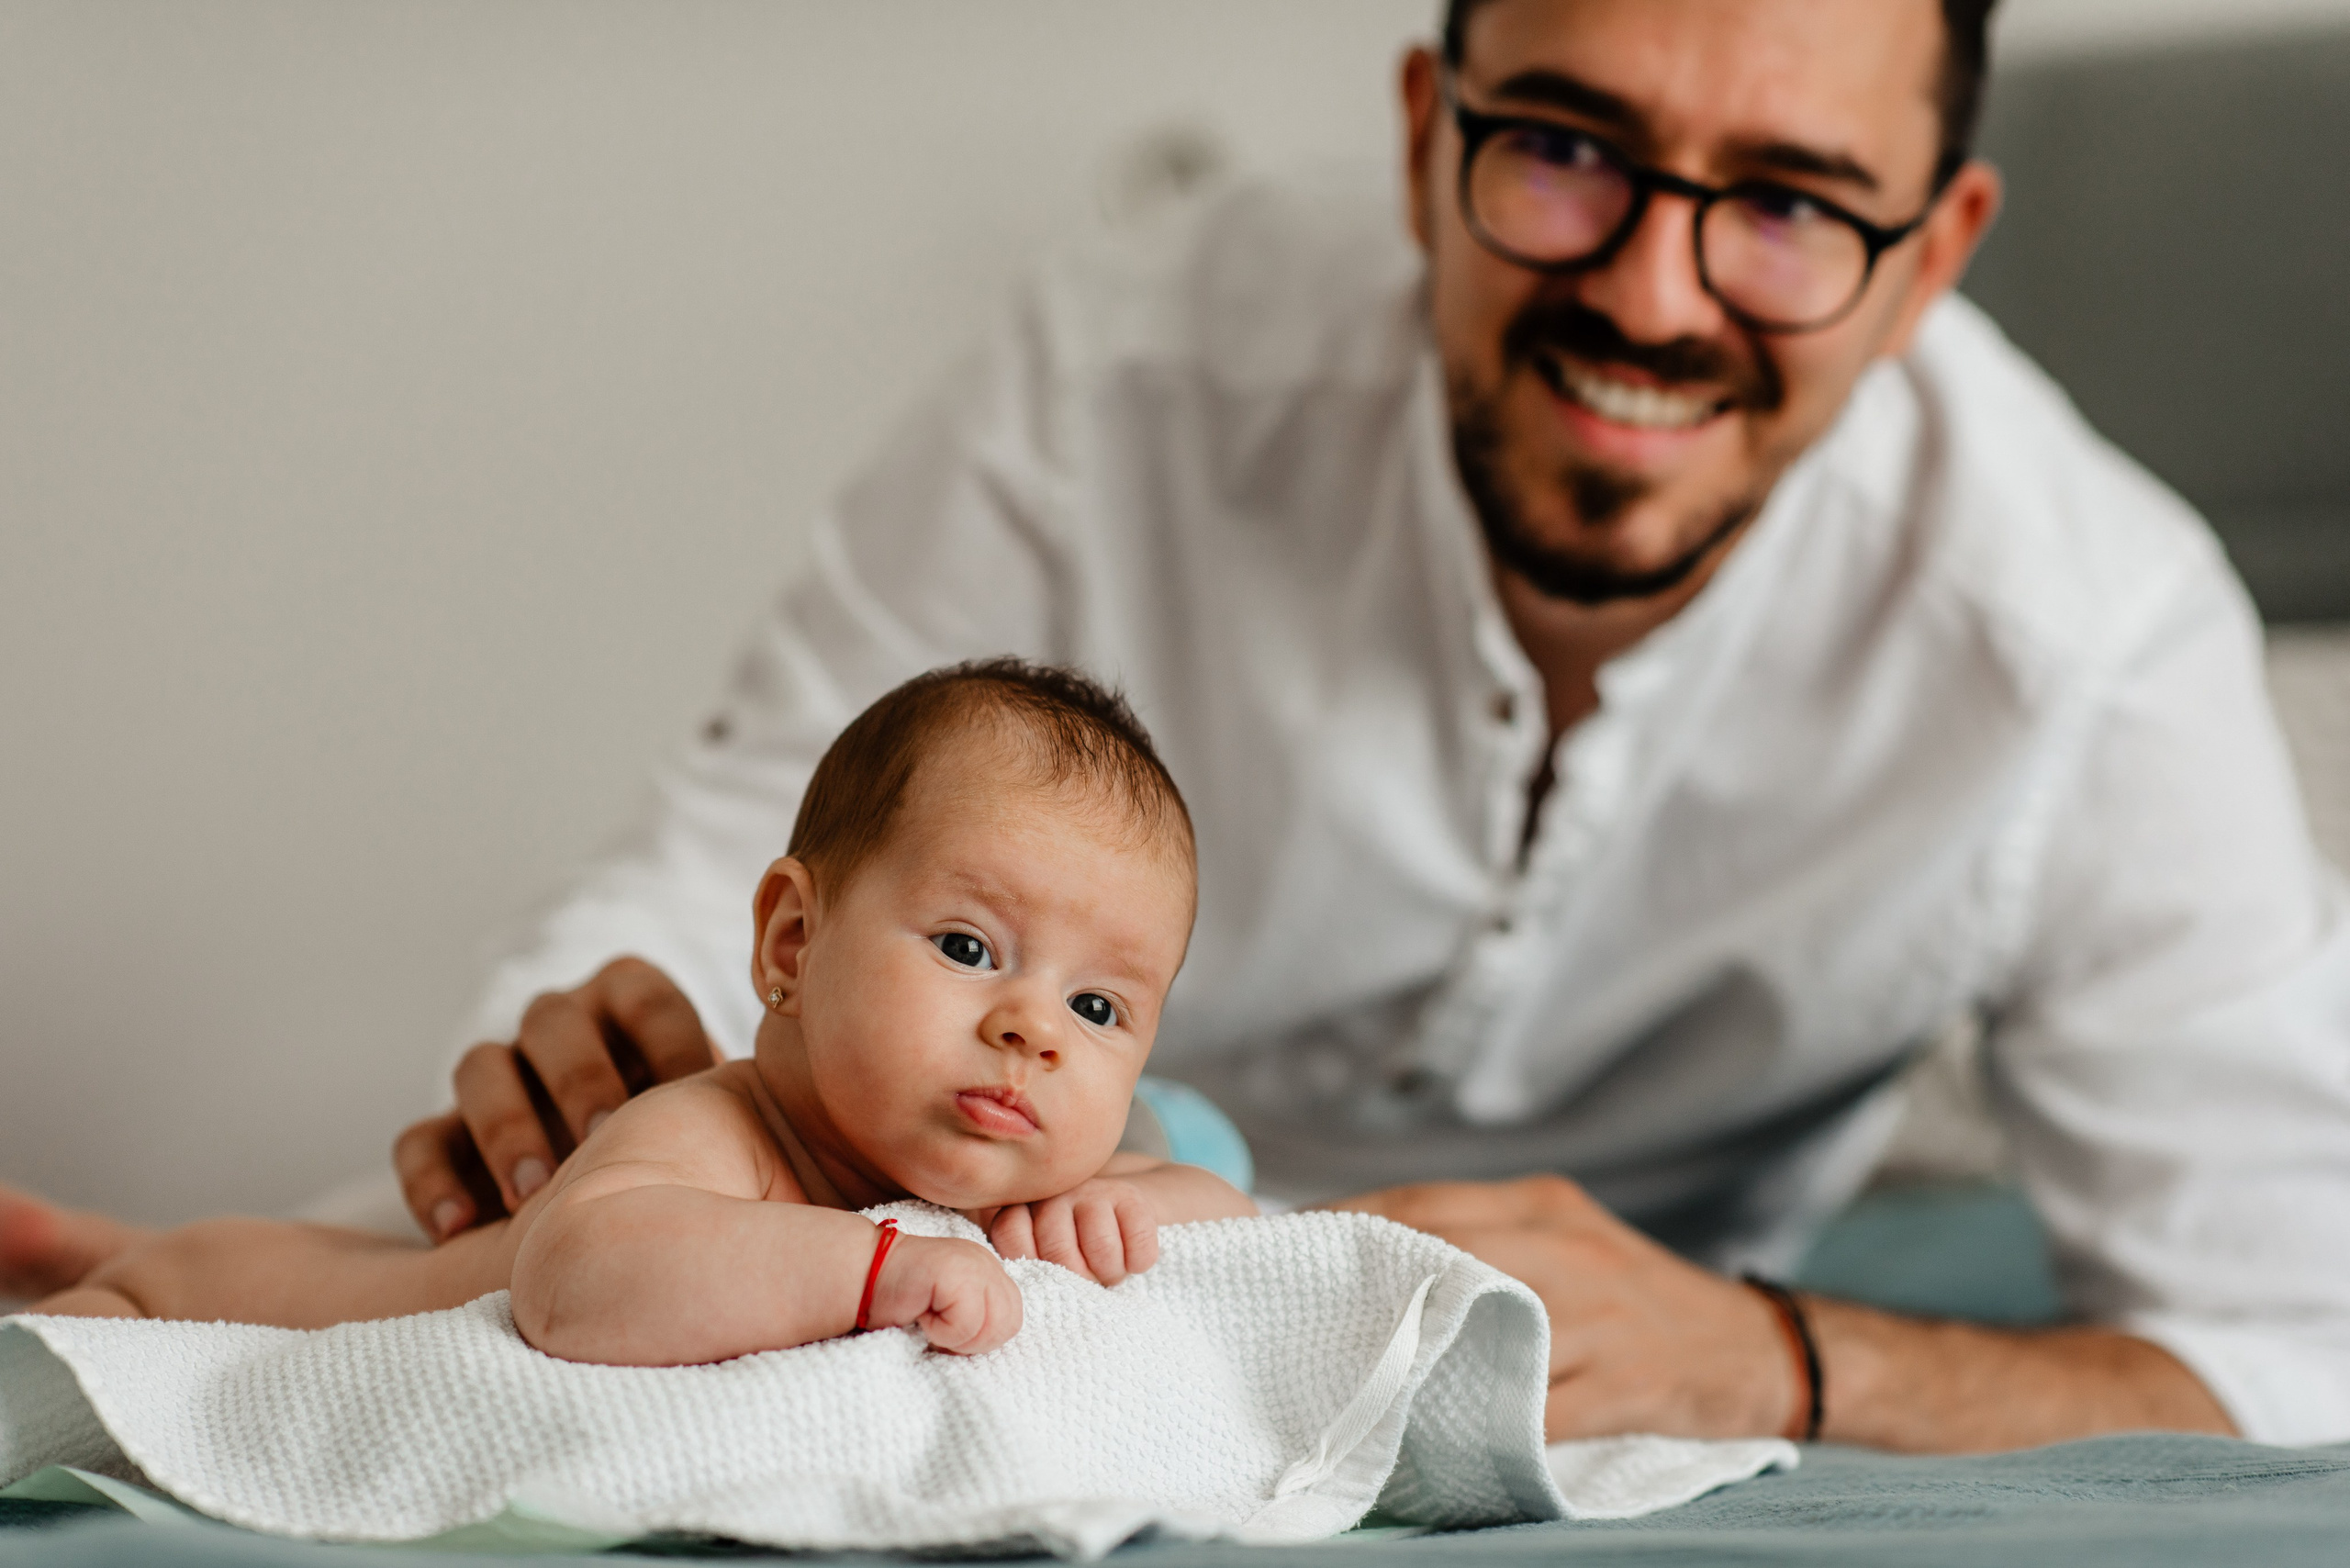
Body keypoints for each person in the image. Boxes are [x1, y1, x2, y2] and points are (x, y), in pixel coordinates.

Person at [14, 0, 2350, 1450]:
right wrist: (607, 1060)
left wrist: (1778, 1359)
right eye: (1561, 149)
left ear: (1932, 252)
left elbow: (2293, 1339)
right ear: (1429, 123)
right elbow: (761, 822)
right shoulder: (1119, 372)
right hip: (888, 1209)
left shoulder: (2094, 642)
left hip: (1556, 1332)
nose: (1648, 292)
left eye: (1788, 211)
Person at [24, 662, 1254, 1362]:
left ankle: (97, 1242)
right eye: (968, 946)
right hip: (265, 1302)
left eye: (1099, 1005)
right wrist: (874, 1268)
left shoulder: (1009, 1174)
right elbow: (577, 1275)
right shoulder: (722, 1132)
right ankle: (114, 1268)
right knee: (145, 1311)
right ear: (792, 940)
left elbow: (1238, 1226)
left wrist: (1129, 1204)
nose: (1034, 1029)